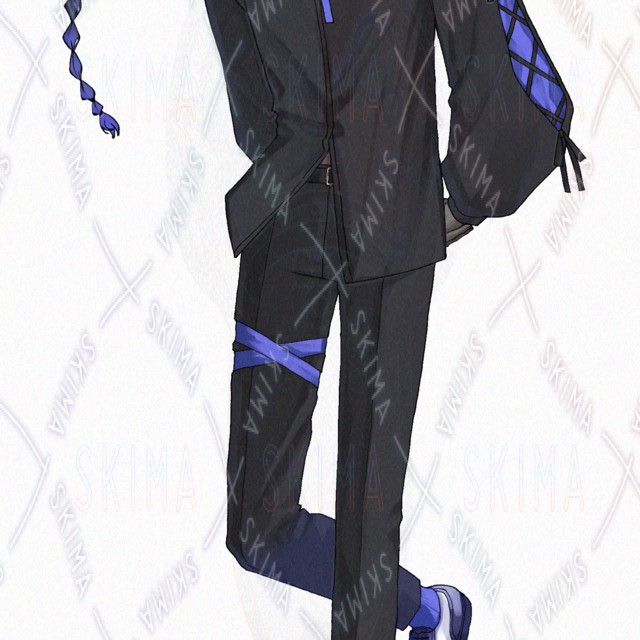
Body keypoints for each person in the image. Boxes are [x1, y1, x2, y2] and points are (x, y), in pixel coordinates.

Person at [63, 0, 585, 638]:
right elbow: (248, 79)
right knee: (256, 527)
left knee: (369, 518)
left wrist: (466, 200)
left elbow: (482, 42)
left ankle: (405, 611)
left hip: (394, 226)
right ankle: (427, 610)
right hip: (289, 215)